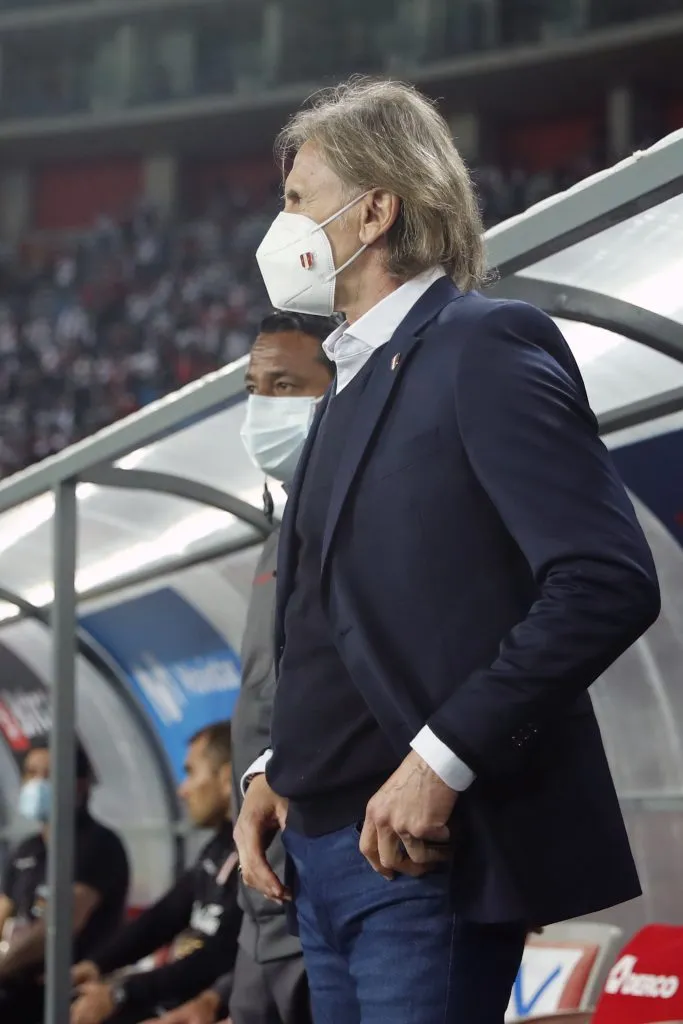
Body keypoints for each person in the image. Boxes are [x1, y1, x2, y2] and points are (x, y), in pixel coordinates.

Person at [234, 77, 661, 1024]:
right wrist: (275, 766)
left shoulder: (483, 342)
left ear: (375, 208)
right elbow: (324, 615)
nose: (281, 223)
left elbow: (604, 579)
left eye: (298, 198)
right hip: (318, 850)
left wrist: (443, 759)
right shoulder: (344, 380)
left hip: (417, 855)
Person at [150, 312, 336, 1024]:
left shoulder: (364, 527)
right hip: (267, 893)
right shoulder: (275, 539)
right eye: (254, 389)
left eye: (285, 386)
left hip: (324, 871)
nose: (263, 409)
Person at [69, 722, 240, 1024]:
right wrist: (96, 965)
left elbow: (223, 952)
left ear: (227, 778)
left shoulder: (255, 853)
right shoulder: (217, 847)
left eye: (190, 772)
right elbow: (163, 917)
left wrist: (122, 991)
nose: (182, 790)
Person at [0, 738, 129, 1024]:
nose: (37, 784)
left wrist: (5, 967)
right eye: (31, 774)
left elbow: (59, 924)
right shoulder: (27, 850)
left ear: (80, 785)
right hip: (17, 986)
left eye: (50, 775)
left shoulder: (98, 846)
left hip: (67, 994)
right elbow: (3, 912)